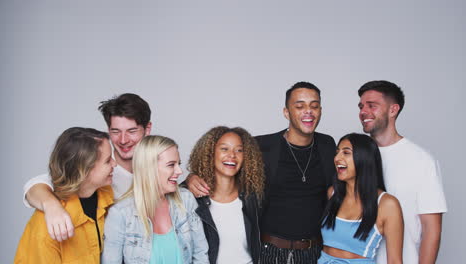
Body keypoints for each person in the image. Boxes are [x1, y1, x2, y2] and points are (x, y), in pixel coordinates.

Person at [188, 82, 336, 263]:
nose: (308, 111)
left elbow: (339, 186)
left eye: (314, 106)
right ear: (286, 112)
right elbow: (226, 167)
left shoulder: (327, 145)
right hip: (269, 252)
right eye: (300, 106)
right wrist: (191, 178)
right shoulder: (263, 147)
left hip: (313, 253)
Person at [22, 93, 152, 241]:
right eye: (115, 131)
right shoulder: (95, 168)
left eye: (132, 131)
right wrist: (51, 205)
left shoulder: (158, 164)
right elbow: (37, 185)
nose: (123, 140)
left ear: (147, 129)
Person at [358, 80, 447, 264]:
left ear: (393, 110)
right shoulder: (354, 157)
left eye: (371, 106)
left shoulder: (422, 161)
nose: (363, 112)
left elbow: (431, 229)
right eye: (361, 106)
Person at [101, 135, 209, 264]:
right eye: (171, 165)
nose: (179, 171)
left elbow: (201, 254)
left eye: (178, 164)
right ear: (148, 168)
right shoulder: (120, 214)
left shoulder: (186, 199)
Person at [15, 127, 116, 263]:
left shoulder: (108, 198)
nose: (114, 164)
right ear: (85, 169)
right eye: (108, 160)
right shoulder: (45, 227)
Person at [319, 133, 403, 264]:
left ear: (364, 158)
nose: (337, 158)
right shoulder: (332, 194)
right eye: (337, 152)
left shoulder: (387, 204)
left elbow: (395, 261)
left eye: (346, 153)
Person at [188, 126, 264, 264]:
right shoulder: (191, 198)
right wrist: (189, 179)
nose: (232, 155)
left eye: (239, 150)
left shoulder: (252, 197)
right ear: (210, 153)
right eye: (224, 149)